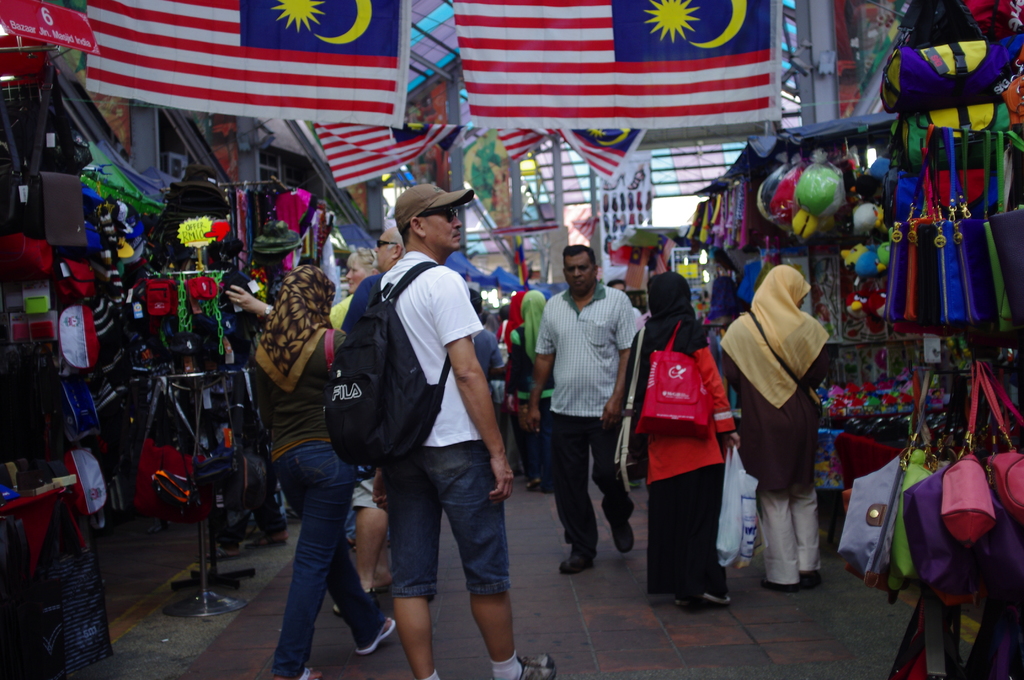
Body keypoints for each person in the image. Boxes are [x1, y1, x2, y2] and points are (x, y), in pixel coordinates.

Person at [373, 183, 555, 680]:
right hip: (455, 445)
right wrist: (498, 450)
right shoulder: (443, 283)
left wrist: (381, 464)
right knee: (486, 572)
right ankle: (508, 672)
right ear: (418, 225)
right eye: (446, 214)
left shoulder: (383, 286)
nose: (458, 221)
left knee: (410, 581)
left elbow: (381, 382)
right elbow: (469, 372)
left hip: (403, 450)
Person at [254, 265, 394, 680]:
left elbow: (265, 415)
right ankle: (288, 666)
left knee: (327, 546)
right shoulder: (335, 343)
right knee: (312, 561)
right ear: (319, 299)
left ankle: (369, 627)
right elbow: (361, 402)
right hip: (329, 461)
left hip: (286, 462)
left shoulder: (263, 348)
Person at [624, 273, 738, 607]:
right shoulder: (689, 329)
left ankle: (676, 584)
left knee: (669, 520)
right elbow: (712, 382)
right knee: (700, 518)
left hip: (661, 445)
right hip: (698, 442)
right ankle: (700, 584)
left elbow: (637, 387)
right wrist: (727, 428)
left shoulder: (644, 334)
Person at [526, 245, 637, 574]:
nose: (576, 274)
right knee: (569, 485)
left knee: (607, 473)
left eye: (583, 268)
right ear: (564, 271)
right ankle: (582, 548)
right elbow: (544, 356)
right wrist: (533, 403)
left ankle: (618, 514)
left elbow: (627, 353)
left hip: (605, 410)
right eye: (571, 268)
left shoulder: (617, 302)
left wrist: (618, 397)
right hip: (564, 410)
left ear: (595, 269)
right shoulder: (553, 307)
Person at [721, 265, 829, 593]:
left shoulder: (738, 330)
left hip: (762, 419)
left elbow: (734, 378)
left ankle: (784, 574)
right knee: (803, 490)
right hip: (802, 417)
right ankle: (809, 566)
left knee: (772, 495)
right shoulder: (808, 328)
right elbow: (818, 374)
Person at [509, 291, 554, 493]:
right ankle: (549, 479)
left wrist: (511, 391)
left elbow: (516, 366)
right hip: (550, 389)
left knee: (530, 433)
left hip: (526, 392)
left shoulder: (516, 334)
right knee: (547, 433)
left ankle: (533, 474)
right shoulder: (552, 330)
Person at [341, 226, 405, 334]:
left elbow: (349, 338)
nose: (375, 249)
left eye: (380, 244)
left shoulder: (369, 285)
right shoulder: (424, 283)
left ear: (396, 250)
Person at [331, 248, 379, 330]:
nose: (348, 276)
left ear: (373, 274)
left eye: (354, 270)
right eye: (349, 270)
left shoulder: (343, 308)